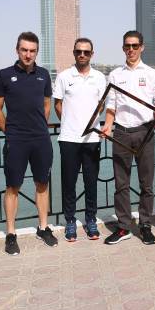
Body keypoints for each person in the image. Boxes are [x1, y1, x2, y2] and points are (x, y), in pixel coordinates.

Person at [0, 31, 58, 255]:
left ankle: (43, 227)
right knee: (12, 187)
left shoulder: (44, 75)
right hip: (16, 140)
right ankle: (11, 233)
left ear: (36, 52)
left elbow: (47, 103)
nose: (28, 54)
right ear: (17, 50)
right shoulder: (3, 75)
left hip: (41, 139)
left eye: (32, 50)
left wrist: (40, 125)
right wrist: (8, 130)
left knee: (42, 184)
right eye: (24, 50)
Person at [101, 30, 155, 245]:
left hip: (145, 132)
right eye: (127, 46)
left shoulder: (153, 74)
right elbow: (111, 105)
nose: (131, 50)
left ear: (142, 47)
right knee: (121, 184)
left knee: (147, 184)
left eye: (135, 46)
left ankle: (145, 225)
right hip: (121, 133)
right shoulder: (115, 75)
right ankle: (124, 227)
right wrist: (107, 126)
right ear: (123, 48)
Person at [53, 38, 106, 241]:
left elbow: (101, 105)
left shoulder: (100, 77)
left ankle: (91, 219)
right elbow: (58, 104)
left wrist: (89, 123)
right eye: (78, 51)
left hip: (92, 138)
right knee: (69, 182)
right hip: (68, 139)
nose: (82, 55)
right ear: (73, 53)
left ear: (92, 54)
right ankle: (70, 222)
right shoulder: (64, 76)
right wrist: (69, 122)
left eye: (86, 52)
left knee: (91, 182)